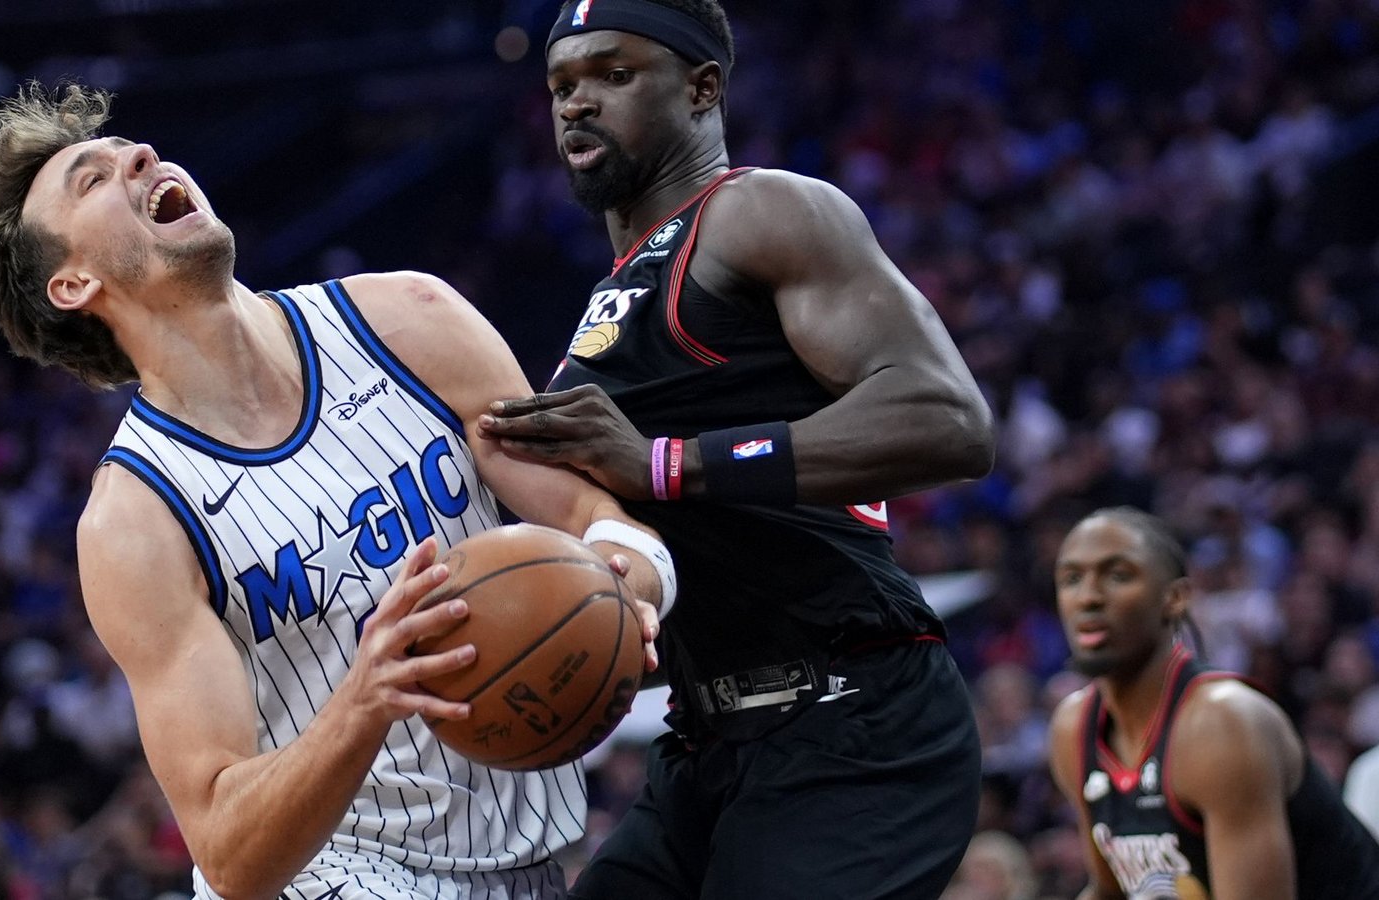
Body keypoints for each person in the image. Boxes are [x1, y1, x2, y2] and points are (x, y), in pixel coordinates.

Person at [0, 82, 678, 900]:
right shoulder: (135, 520)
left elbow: (598, 517)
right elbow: (229, 853)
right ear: (73, 285)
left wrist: (632, 583)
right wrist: (362, 702)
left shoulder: (409, 319)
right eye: (90, 180)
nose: (139, 155)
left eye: (132, 148)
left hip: (529, 865)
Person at [476, 1, 997, 896]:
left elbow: (948, 418)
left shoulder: (763, 212)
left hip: (853, 717)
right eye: (562, 85)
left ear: (703, 87)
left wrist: (663, 465)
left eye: (614, 74)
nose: (576, 103)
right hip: (706, 739)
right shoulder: (605, 306)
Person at [1046, 507, 1379, 899]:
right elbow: (1110, 891)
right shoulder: (1074, 727)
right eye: (1071, 578)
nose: (1088, 597)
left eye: (1117, 575)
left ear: (1176, 598)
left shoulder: (1222, 724)